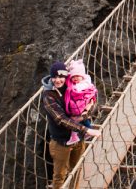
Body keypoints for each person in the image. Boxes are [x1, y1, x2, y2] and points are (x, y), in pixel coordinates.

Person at [41, 61, 101, 189]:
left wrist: (84, 115)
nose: (58, 80)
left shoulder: (73, 85)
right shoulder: (48, 96)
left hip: (78, 138)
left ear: (66, 76)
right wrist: (86, 130)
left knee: (76, 170)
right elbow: (61, 119)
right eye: (54, 77)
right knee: (60, 176)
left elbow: (91, 98)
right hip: (61, 142)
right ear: (51, 77)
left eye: (61, 77)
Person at [63, 60, 98, 146]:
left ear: (82, 76)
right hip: (80, 107)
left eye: (77, 76)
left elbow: (86, 93)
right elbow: (68, 79)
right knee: (83, 120)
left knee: (74, 120)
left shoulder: (85, 84)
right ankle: (87, 131)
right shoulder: (77, 82)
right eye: (73, 77)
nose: (75, 78)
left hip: (80, 106)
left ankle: (75, 136)